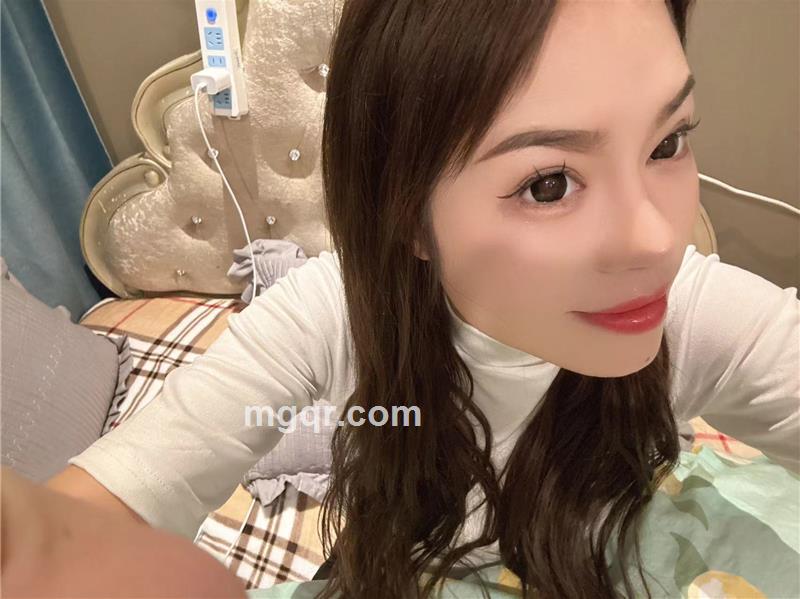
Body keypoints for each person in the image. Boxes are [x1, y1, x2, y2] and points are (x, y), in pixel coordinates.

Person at [2, 1, 798, 598]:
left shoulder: (690, 313)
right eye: (549, 183)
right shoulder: (330, 317)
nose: (656, 239)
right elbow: (120, 500)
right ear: (411, 217)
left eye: (668, 142)